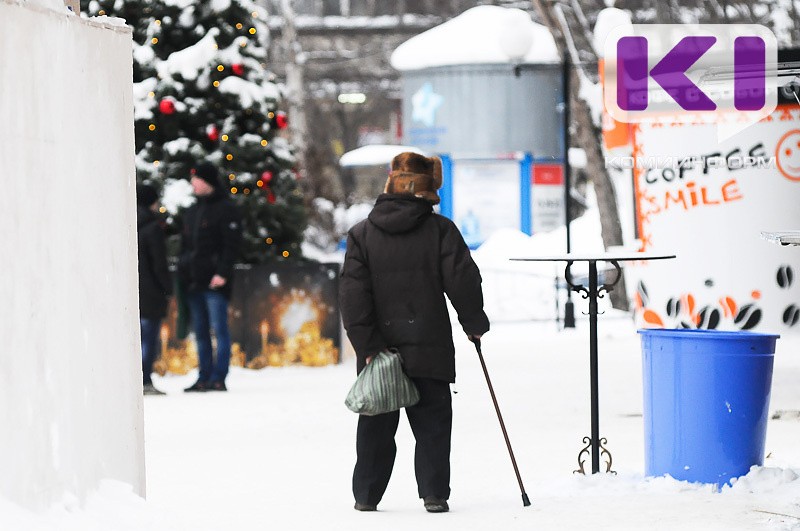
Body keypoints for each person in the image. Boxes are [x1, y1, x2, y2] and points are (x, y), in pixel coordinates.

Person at [340, 152, 490, 513]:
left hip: (380, 350)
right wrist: (474, 322)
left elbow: (352, 295)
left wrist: (368, 344)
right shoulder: (440, 231)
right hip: (429, 345)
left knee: (376, 426)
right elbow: (463, 281)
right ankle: (434, 493)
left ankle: (366, 496)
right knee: (433, 424)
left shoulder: (361, 235)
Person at [178, 161, 242, 392]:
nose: (194, 184)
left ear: (209, 182)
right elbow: (186, 245)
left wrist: (222, 274)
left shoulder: (225, 209)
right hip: (194, 281)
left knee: (219, 330)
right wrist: (184, 270)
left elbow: (231, 245)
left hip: (214, 283)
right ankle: (203, 375)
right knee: (201, 333)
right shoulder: (193, 211)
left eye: (199, 180)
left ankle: (218, 376)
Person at [136, 183, 172, 396]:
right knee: (148, 339)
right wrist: (168, 288)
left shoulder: (130, 224)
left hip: (136, 292)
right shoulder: (153, 228)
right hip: (151, 293)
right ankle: (145, 379)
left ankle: (139, 379)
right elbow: (159, 263)